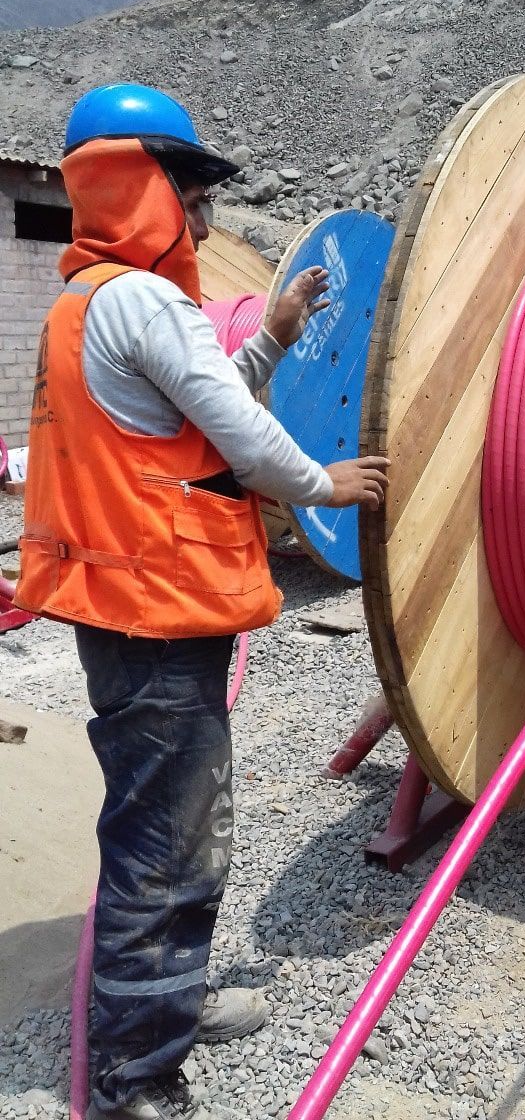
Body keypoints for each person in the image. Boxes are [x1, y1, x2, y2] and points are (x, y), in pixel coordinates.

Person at [14, 84, 389, 1120]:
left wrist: (269, 335)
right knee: (167, 837)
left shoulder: (85, 303)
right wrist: (325, 483)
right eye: (191, 192)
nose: (206, 218)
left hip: (123, 608)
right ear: (142, 187)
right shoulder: (140, 299)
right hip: (154, 610)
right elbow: (241, 437)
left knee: (163, 818)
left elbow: (198, 402)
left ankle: (164, 1006)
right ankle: (137, 1073)